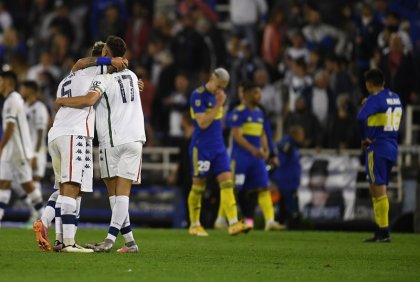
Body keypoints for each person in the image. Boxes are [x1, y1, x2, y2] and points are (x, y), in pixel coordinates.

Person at [33, 41, 126, 253]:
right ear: (103, 58)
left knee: (63, 188)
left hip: (56, 134)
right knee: (73, 187)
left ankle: (54, 234)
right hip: (75, 133)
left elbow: (80, 62)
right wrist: (112, 62)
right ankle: (68, 243)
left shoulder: (69, 77)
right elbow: (90, 85)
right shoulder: (98, 73)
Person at [56, 35, 145, 253]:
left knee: (117, 194)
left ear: (105, 53)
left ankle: (109, 239)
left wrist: (62, 101)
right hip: (135, 139)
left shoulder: (102, 80)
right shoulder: (133, 77)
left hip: (111, 141)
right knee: (120, 194)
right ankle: (130, 242)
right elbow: (133, 86)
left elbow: (88, 100)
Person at [188, 67, 251, 236]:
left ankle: (233, 223)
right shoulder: (198, 95)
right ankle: (194, 224)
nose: (220, 90)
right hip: (201, 148)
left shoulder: (219, 96)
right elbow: (202, 123)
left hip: (219, 147)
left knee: (227, 183)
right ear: (212, 78)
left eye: (224, 87)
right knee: (198, 188)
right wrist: (218, 105)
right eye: (219, 85)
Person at [228, 81, 284, 231]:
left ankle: (270, 221)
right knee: (236, 189)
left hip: (256, 158)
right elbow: (238, 137)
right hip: (241, 158)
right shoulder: (238, 112)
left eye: (259, 92)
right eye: (255, 92)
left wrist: (265, 149)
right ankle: (226, 219)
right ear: (246, 95)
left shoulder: (260, 113)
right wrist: (254, 150)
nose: (259, 96)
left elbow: (263, 133)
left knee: (263, 187)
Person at [357, 68, 403, 242]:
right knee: (379, 187)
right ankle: (380, 230)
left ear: (369, 85)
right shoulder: (396, 97)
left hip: (377, 146)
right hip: (392, 145)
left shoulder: (374, 99)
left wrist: (364, 138)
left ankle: (383, 231)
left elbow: (361, 118)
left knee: (378, 189)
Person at [0, 71, 44, 227]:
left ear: (7, 81)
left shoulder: (13, 100)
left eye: (1, 80)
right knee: (3, 183)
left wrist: (0, 147)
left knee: (27, 185)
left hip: (19, 151)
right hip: (10, 151)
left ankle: (45, 216)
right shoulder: (11, 100)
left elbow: (10, 127)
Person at [270, 125, 304, 228]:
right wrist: (274, 178)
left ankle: (279, 230)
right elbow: (279, 163)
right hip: (287, 183)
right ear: (296, 135)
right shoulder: (287, 146)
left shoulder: (290, 145)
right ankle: (295, 230)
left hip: (287, 182)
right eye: (301, 134)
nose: (303, 137)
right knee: (293, 210)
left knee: (283, 210)